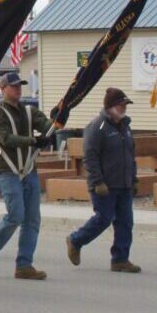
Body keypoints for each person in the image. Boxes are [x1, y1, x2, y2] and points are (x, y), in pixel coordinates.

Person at [0, 73, 56, 281]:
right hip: (7, 170)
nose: (18, 89)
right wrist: (33, 141)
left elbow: (49, 128)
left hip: (28, 169)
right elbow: (5, 138)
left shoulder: (29, 111)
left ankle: (24, 265)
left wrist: (58, 118)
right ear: (3, 88)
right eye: (13, 86)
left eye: (20, 86)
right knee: (16, 215)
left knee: (32, 219)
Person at [66, 88, 142, 274]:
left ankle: (120, 259)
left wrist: (134, 179)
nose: (124, 108)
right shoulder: (97, 127)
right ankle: (75, 240)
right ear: (110, 107)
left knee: (125, 222)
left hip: (123, 184)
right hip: (104, 185)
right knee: (103, 218)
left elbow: (130, 156)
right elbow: (90, 158)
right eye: (120, 105)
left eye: (125, 105)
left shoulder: (125, 127)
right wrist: (98, 182)